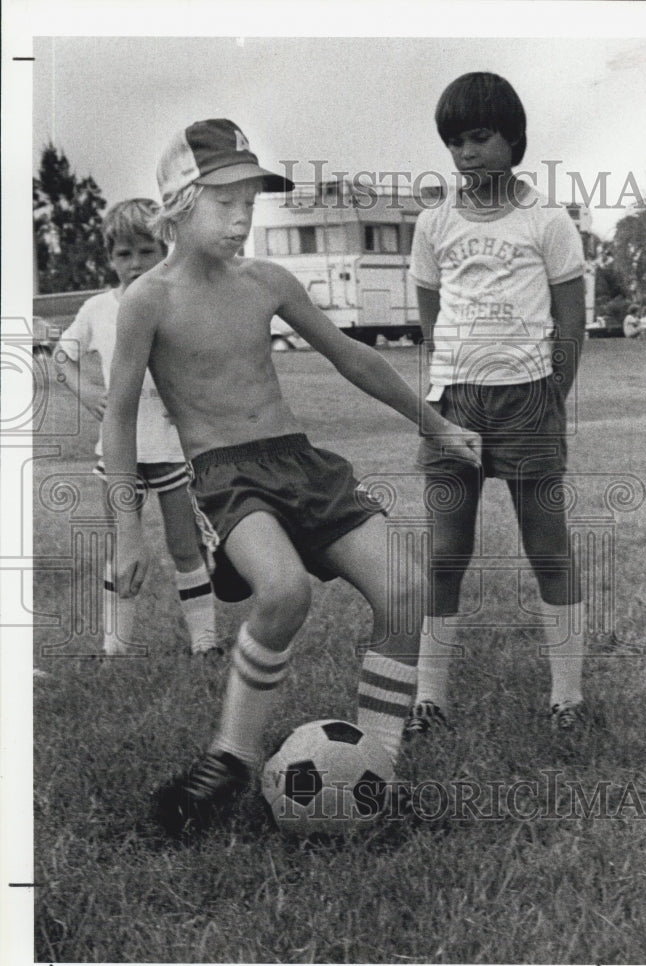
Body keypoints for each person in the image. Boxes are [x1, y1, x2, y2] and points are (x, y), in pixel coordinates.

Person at [101, 119, 481, 837]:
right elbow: (119, 417)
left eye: (250, 201)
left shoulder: (268, 281)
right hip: (226, 475)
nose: (243, 217)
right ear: (179, 205)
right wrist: (127, 530)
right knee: (283, 591)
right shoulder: (147, 300)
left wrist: (434, 423)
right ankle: (231, 757)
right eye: (225, 202)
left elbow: (352, 357)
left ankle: (377, 762)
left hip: (299, 461)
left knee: (406, 589)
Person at [406, 72, 588, 740]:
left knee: (549, 550)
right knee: (445, 553)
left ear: (514, 137)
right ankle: (430, 696)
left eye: (479, 137)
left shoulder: (547, 220)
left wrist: (549, 396)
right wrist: (450, 387)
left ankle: (566, 697)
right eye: (454, 141)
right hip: (454, 406)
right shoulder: (435, 221)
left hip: (529, 404)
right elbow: (431, 319)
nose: (466, 153)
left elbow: (571, 323)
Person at [57, 198, 219, 657]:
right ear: (109, 258)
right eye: (123, 254)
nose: (135, 263)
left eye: (146, 251)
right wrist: (87, 392)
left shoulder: (180, 302)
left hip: (170, 448)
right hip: (119, 452)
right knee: (122, 550)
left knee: (184, 548)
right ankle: (116, 647)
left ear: (165, 248)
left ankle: (205, 641)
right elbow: (63, 356)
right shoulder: (96, 309)